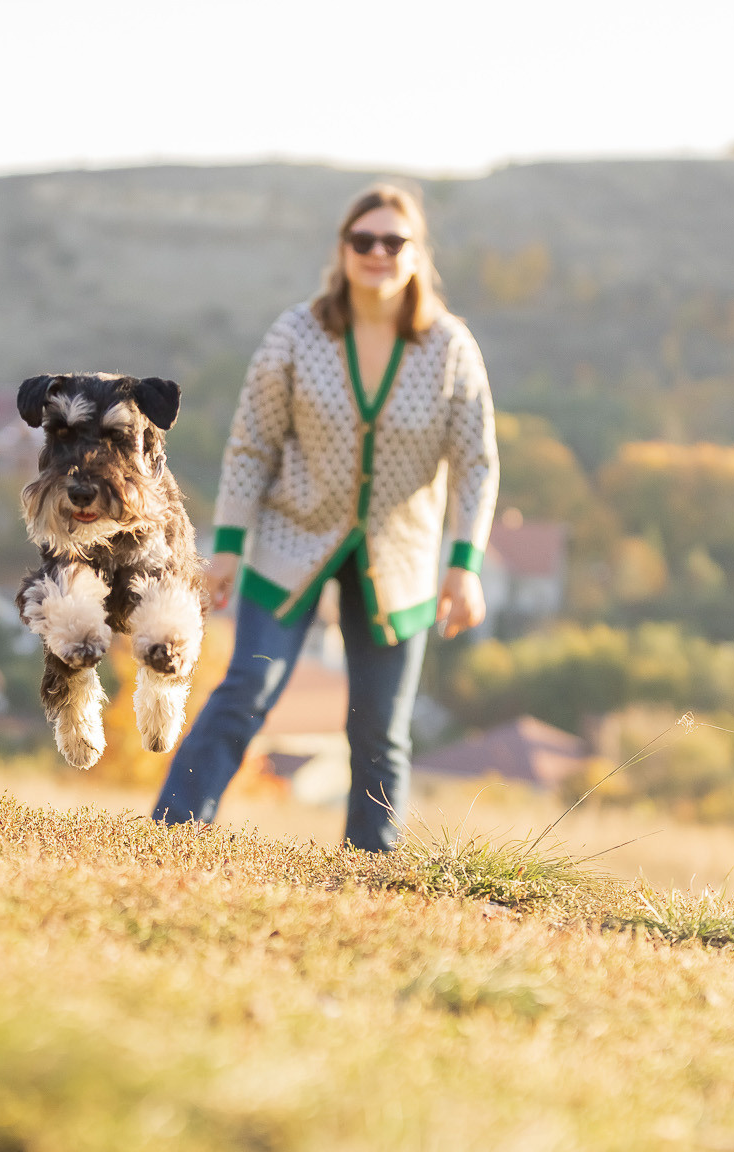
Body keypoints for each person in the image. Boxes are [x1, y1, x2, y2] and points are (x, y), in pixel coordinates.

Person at [153, 183, 498, 852]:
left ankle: (371, 871)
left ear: (417, 254)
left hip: (399, 562)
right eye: (362, 240)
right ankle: (171, 834)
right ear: (341, 251)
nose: (377, 252)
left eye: (393, 241)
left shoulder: (450, 349)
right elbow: (251, 441)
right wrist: (226, 546)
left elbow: (478, 462)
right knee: (246, 688)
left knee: (380, 730)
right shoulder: (296, 335)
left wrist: (465, 566)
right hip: (289, 540)